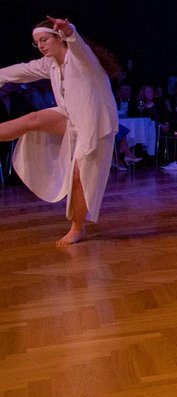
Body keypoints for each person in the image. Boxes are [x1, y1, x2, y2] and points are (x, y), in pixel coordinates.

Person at [0, 17, 119, 245]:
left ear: (59, 38)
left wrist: (68, 29)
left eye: (44, 40)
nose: (41, 46)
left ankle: (77, 227)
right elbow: (20, 71)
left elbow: (76, 42)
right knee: (33, 119)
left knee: (79, 178)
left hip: (96, 124)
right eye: (37, 42)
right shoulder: (51, 64)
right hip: (70, 116)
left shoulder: (81, 57)